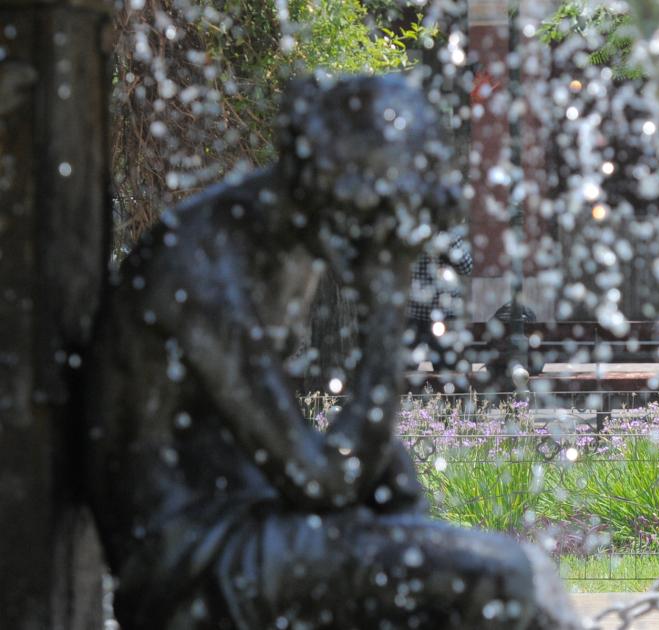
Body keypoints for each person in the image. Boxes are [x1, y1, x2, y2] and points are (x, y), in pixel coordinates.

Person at [84, 74, 579, 629]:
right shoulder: (202, 272)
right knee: (504, 574)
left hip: (249, 510)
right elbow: (320, 480)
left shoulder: (287, 239)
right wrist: (387, 305)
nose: (380, 241)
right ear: (333, 184)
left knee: (398, 485)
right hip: (190, 561)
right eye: (376, 218)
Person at [407, 231, 473, 372]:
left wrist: (448, 250)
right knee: (412, 362)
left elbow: (466, 266)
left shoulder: (449, 233)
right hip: (416, 310)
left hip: (443, 310)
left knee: (446, 362)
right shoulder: (413, 232)